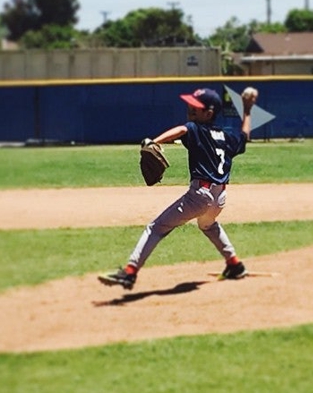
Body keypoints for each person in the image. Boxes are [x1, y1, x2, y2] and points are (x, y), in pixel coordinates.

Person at [98, 87, 256, 289]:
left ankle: (129, 272)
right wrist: (248, 110)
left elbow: (183, 130)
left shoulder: (196, 128)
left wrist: (155, 141)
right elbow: (244, 137)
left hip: (199, 196)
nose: (190, 109)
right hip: (220, 198)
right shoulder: (225, 137)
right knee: (207, 225)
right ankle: (235, 265)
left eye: (196, 107)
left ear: (208, 114)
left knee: (155, 228)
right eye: (190, 105)